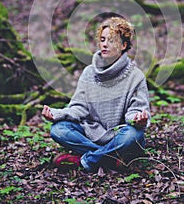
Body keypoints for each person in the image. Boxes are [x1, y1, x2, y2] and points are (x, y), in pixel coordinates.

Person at [42, 16, 150, 172]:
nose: (105, 44)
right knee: (58, 130)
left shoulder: (136, 76)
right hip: (91, 132)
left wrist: (137, 120)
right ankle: (110, 158)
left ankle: (85, 160)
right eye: (103, 39)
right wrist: (57, 114)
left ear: (123, 45)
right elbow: (79, 107)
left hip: (120, 134)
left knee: (134, 135)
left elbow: (136, 111)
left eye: (111, 40)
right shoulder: (88, 73)